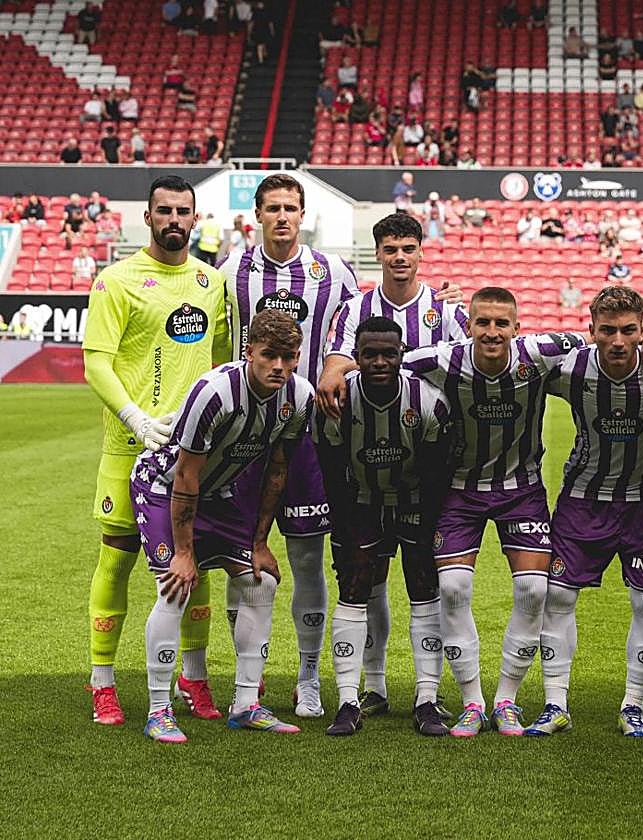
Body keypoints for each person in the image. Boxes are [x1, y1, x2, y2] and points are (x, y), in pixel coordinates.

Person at [397, 289, 589, 736]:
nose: (492, 332)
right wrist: (337, 371)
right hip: (460, 491)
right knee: (453, 588)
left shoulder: (538, 354)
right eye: (483, 322)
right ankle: (471, 701)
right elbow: (385, 362)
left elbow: (594, 344)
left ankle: (506, 700)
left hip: (521, 489)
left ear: (516, 328)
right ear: (469, 326)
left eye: (502, 323)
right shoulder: (443, 359)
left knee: (533, 592)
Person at [82, 176, 230, 727]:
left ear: (196, 219)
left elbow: (221, 361)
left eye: (182, 212)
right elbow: (96, 362)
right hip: (129, 446)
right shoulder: (115, 281)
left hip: (194, 452)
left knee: (200, 560)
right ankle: (103, 682)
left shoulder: (211, 283)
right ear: (147, 217)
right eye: (164, 211)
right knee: (117, 556)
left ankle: (194, 678)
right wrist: (136, 418)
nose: (174, 219)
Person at [218, 174, 361, 718]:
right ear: (256, 214)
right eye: (273, 208)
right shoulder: (232, 271)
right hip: (242, 440)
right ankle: (246, 678)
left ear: (303, 215)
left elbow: (359, 331)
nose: (282, 216)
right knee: (240, 561)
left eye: (291, 208)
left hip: (307, 437)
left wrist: (332, 366)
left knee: (305, 559)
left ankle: (307, 677)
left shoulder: (333, 272)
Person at [134, 310, 311, 742]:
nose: (279, 367)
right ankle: (159, 710)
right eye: (269, 355)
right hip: (164, 486)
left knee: (260, 582)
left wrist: (260, 542)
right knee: (175, 586)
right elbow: (185, 475)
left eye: (288, 358)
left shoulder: (298, 397)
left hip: (222, 493)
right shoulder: (215, 392)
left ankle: (246, 704)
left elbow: (277, 471)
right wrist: (183, 551)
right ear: (248, 352)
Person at [317, 212, 467, 720]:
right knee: (367, 580)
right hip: (364, 465)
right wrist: (338, 373)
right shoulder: (353, 307)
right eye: (390, 248)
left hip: (425, 454)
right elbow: (335, 364)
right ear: (377, 253)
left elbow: (472, 363)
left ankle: (427, 694)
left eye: (408, 248)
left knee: (423, 581)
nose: (399, 257)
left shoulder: (444, 311)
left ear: (420, 252)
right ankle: (371, 687)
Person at [527, 287, 643, 737]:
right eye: (607, 330)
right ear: (590, 331)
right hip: (582, 502)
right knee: (558, 598)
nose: (617, 340)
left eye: (629, 331)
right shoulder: (570, 370)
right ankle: (555, 704)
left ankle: (633, 705)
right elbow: (513, 360)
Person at [314, 317, 453, 737]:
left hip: (414, 500)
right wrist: (347, 530)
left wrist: (422, 532)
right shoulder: (335, 404)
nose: (379, 361)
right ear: (354, 358)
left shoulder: (427, 402)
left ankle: (427, 699)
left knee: (423, 586)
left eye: (388, 354)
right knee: (355, 588)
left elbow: (436, 477)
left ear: (401, 356)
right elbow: (333, 475)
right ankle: (348, 700)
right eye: (369, 354)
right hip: (359, 499)